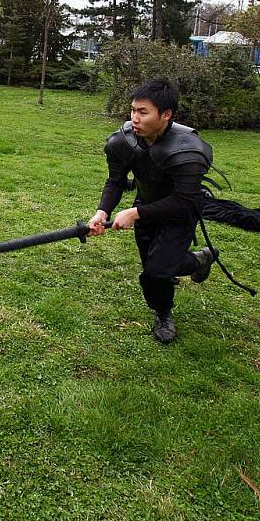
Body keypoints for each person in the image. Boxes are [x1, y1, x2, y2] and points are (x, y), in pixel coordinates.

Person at [87, 79, 218, 345]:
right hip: (146, 204)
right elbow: (115, 181)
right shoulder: (122, 142)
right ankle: (198, 260)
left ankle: (163, 312)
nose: (134, 118)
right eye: (133, 110)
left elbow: (183, 200)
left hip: (181, 213)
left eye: (143, 112)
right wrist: (102, 212)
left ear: (166, 115)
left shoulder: (188, 149)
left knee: (156, 272)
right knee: (154, 266)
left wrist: (135, 214)